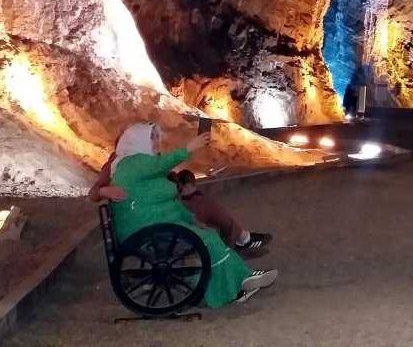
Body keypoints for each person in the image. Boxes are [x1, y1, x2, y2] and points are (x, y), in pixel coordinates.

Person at [91, 123, 277, 307]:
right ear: (136, 141)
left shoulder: (138, 164)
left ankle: (241, 276)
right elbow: (161, 165)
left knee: (208, 229)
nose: (156, 142)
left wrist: (191, 218)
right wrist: (189, 148)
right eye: (151, 138)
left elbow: (168, 200)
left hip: (158, 224)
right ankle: (239, 280)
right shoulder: (133, 163)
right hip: (151, 231)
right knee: (208, 239)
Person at [170, 170, 272, 255]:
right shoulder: (197, 202)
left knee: (216, 215)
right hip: (222, 236)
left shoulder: (195, 203)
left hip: (224, 235)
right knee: (217, 214)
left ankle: (244, 238)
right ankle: (244, 238)